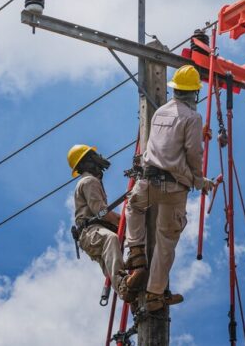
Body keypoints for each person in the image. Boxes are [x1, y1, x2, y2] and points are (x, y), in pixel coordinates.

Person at [125, 65, 216, 312]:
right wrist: (199, 180)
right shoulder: (192, 117)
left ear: (175, 89)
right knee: (166, 241)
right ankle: (154, 295)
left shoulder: (160, 112)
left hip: (147, 179)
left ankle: (136, 252)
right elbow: (194, 153)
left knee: (133, 207)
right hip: (174, 189)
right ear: (194, 94)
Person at [68, 144, 145, 302]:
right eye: (94, 156)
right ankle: (123, 284)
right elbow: (100, 211)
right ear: (86, 162)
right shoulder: (89, 181)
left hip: (91, 235)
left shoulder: (91, 182)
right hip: (91, 232)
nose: (99, 159)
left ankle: (130, 294)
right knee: (111, 239)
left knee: (109, 260)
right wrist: (124, 220)